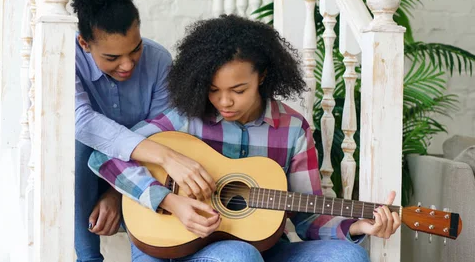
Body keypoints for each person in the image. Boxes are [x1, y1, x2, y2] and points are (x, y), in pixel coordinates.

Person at [88, 15, 401, 262]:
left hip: (268, 250)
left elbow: (308, 219)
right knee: (239, 255)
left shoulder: (293, 128)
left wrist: (358, 226)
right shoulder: (186, 119)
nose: (224, 102)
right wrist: (166, 199)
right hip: (192, 249)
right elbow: (105, 155)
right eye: (213, 90)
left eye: (238, 91)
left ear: (262, 76)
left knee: (349, 256)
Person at [72, 0, 215, 262]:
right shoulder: (63, 59)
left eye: (135, 49)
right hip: (80, 174)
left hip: (141, 176)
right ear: (84, 43)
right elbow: (82, 123)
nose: (127, 64)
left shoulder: (159, 60)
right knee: (78, 143)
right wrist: (167, 156)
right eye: (112, 57)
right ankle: (87, 258)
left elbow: (165, 133)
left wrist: (115, 192)